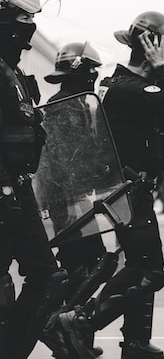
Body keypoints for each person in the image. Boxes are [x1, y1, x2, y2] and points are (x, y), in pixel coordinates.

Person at [56, 11, 164, 359]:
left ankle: (135, 343)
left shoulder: (135, 88)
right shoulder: (127, 88)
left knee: (145, 263)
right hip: (128, 191)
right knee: (148, 266)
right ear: (151, 48)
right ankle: (81, 322)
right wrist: (161, 66)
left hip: (137, 188)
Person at [0, 0, 69, 359]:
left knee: (49, 278)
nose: (28, 27)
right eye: (21, 18)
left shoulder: (12, 72)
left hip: (19, 189)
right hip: (4, 190)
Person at [39, 42, 108, 358]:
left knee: (85, 264)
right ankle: (54, 324)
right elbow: (67, 159)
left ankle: (72, 337)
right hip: (67, 199)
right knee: (90, 265)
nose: (95, 75)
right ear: (81, 71)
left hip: (74, 196)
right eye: (92, 69)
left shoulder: (76, 102)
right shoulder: (64, 106)